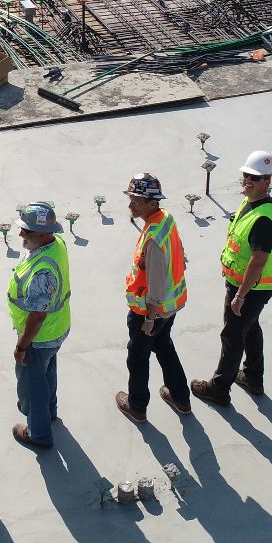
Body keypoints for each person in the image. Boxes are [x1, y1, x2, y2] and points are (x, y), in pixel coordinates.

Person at [192, 151, 272, 405]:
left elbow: (258, 261)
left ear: (267, 182)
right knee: (250, 328)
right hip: (247, 286)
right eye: (246, 176)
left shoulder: (262, 219)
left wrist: (240, 295)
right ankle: (253, 377)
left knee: (232, 335)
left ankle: (218, 388)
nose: (247, 181)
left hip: (250, 289)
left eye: (255, 178)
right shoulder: (250, 204)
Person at [115, 172, 190, 422]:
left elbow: (155, 282)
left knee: (137, 357)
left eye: (136, 201)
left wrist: (150, 317)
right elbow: (177, 248)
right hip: (171, 307)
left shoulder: (153, 238)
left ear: (152, 203)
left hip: (150, 311)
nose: (130, 205)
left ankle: (137, 406)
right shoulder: (165, 220)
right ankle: (181, 397)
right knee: (163, 346)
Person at [8, 200, 70, 450]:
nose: (21, 233)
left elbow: (36, 315)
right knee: (46, 373)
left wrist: (22, 346)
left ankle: (38, 434)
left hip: (39, 336)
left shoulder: (42, 272)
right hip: (56, 330)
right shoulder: (56, 244)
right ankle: (49, 412)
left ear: (44, 233)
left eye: (27, 230)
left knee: (33, 386)